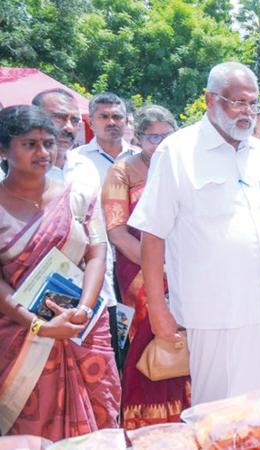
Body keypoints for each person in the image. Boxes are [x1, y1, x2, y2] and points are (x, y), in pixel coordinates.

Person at [128, 62, 260, 407]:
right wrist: (158, 308)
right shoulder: (177, 152)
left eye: (253, 103)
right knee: (216, 417)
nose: (247, 112)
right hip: (211, 316)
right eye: (237, 102)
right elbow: (153, 235)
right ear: (209, 99)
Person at [0, 105, 120, 440]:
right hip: (18, 337)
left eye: (48, 143)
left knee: (98, 427)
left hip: (83, 330)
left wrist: (82, 310)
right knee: (27, 428)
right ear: (3, 150)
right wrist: (37, 324)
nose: (43, 152)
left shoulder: (78, 196)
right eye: (29, 144)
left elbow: (98, 252)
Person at [101, 104, 190, 430]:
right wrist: (160, 268)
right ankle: (146, 424)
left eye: (168, 136)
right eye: (154, 137)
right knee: (149, 335)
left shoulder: (183, 170)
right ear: (138, 138)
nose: (162, 144)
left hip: (184, 271)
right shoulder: (122, 172)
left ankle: (188, 416)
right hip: (138, 274)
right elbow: (117, 232)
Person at [64, 91, 136, 364]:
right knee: (105, 335)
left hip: (135, 260)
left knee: (136, 336)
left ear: (126, 120)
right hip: (94, 264)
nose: (111, 122)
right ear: (91, 122)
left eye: (117, 116)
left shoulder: (142, 159)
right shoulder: (77, 161)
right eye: (104, 117)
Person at [31, 88, 82, 171]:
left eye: (74, 120)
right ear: (34, 118)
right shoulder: (10, 174)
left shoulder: (87, 168)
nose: (69, 128)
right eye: (59, 118)